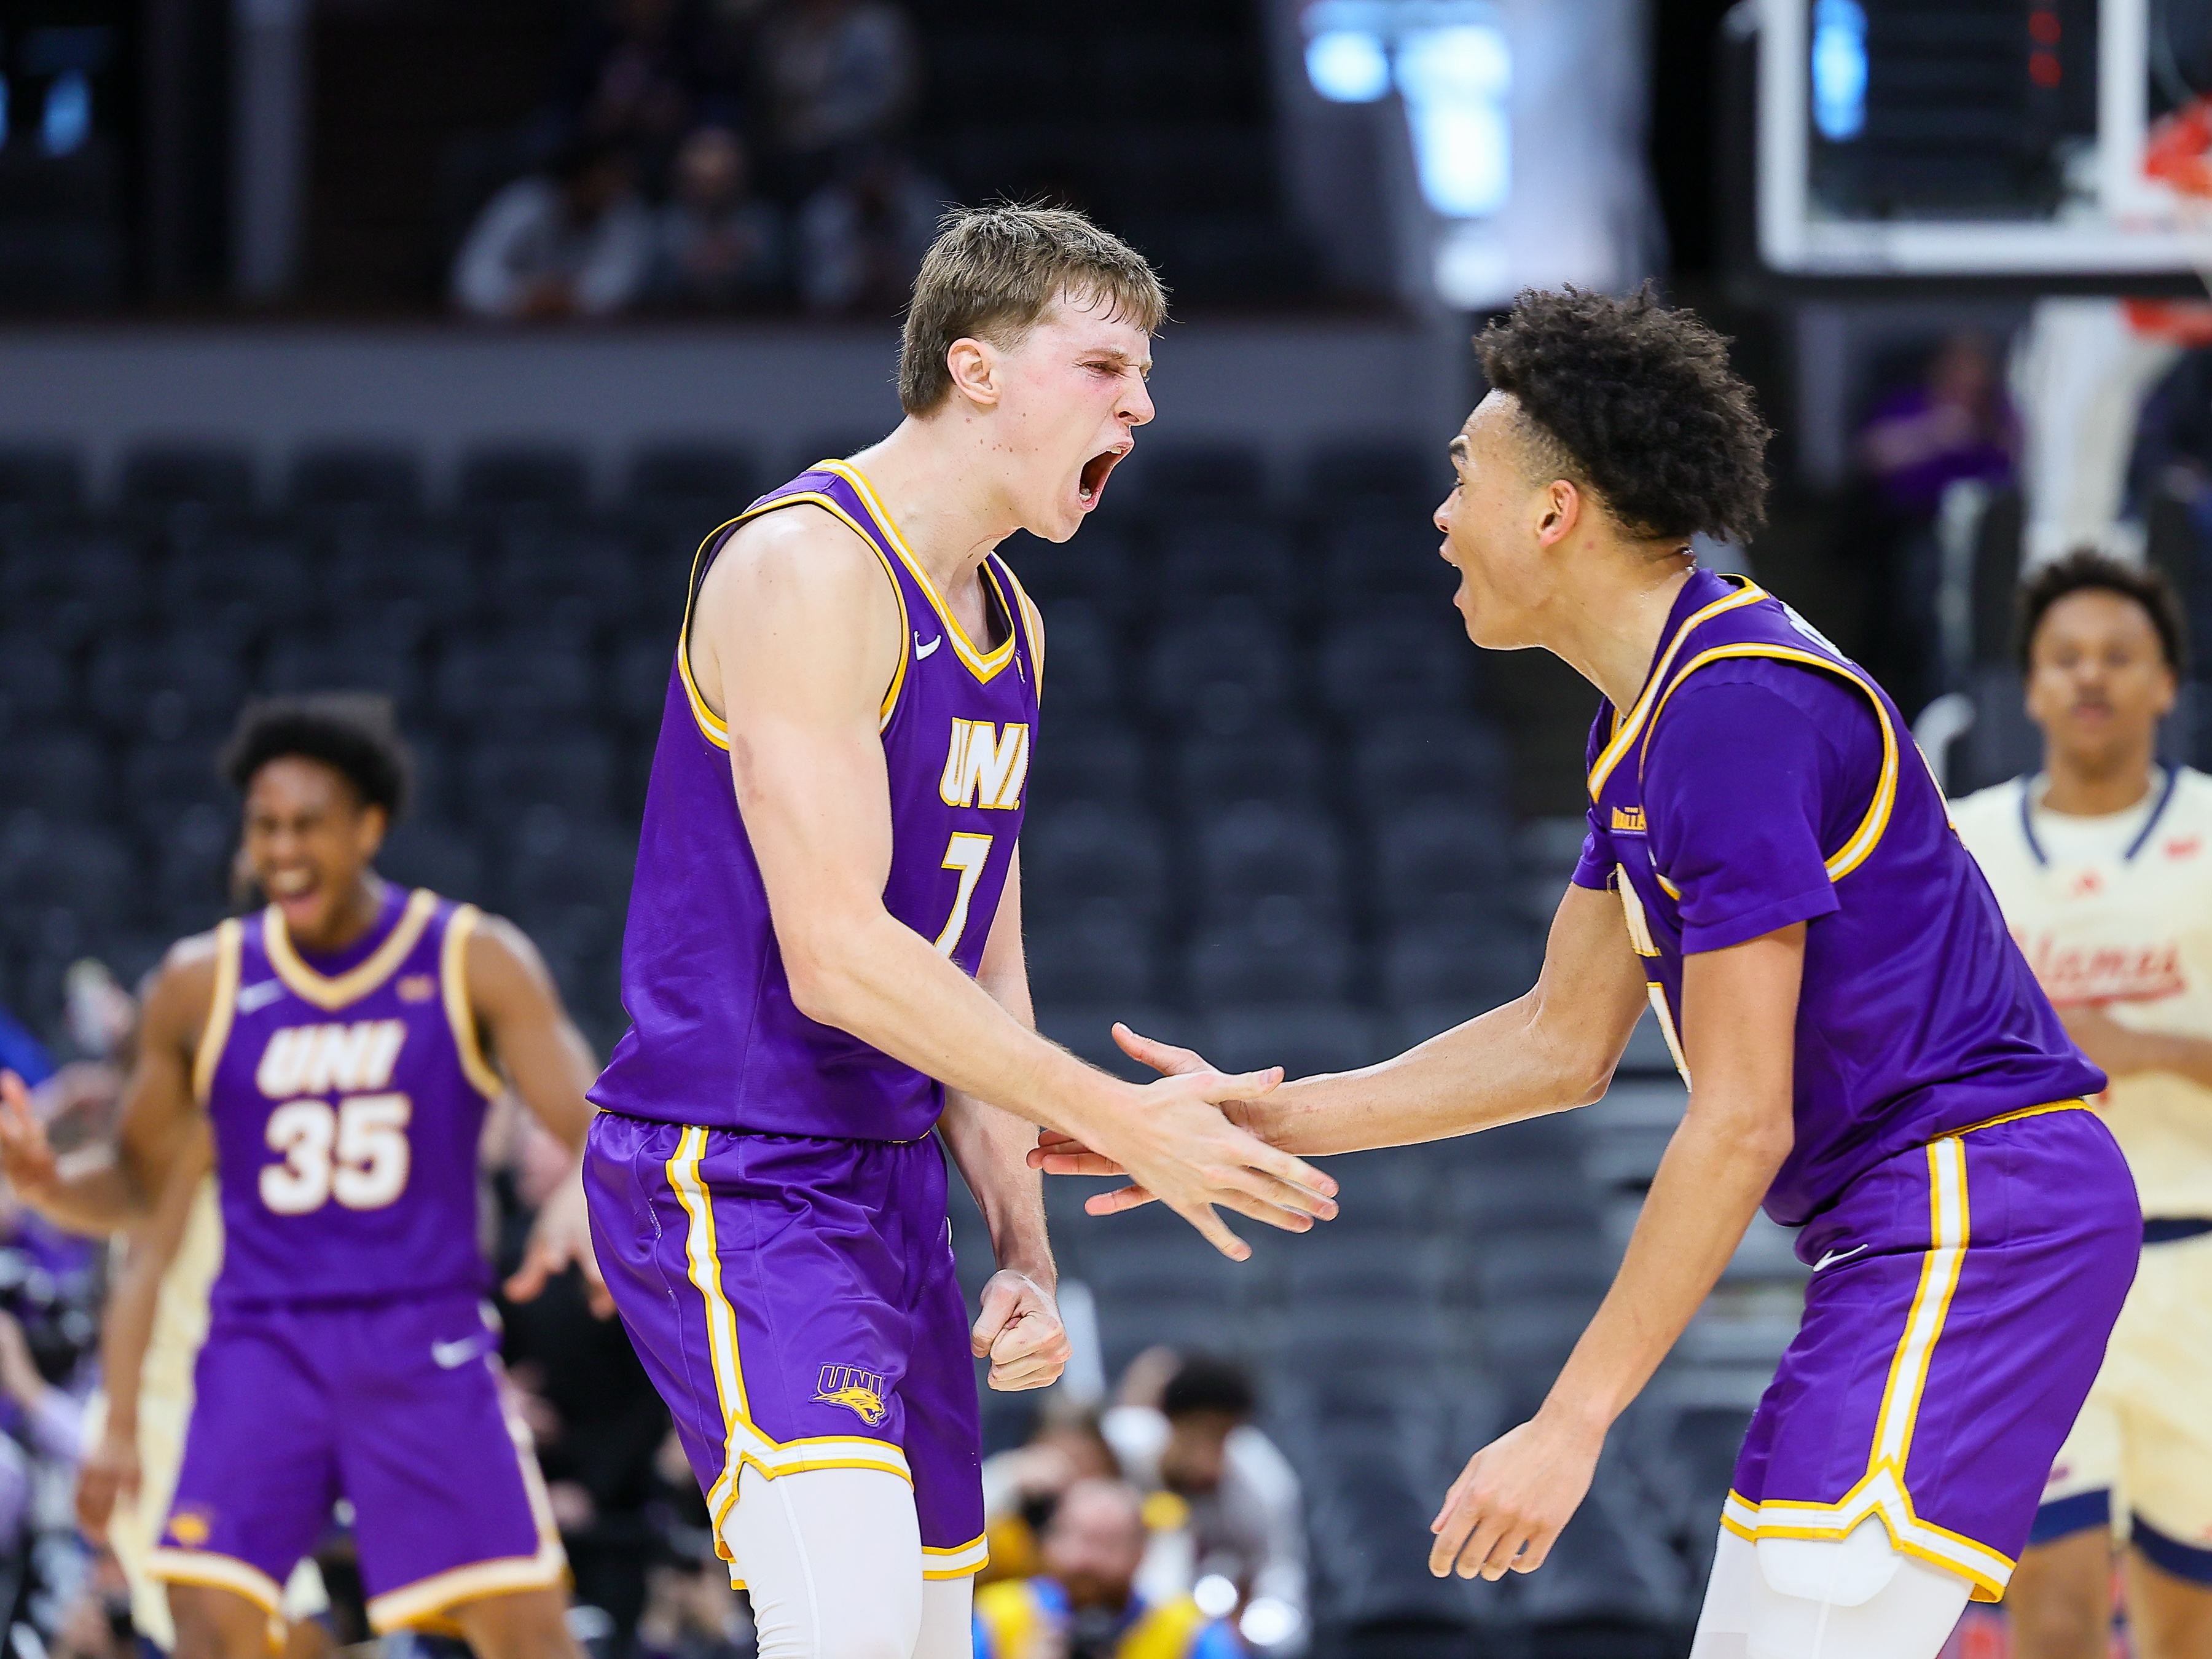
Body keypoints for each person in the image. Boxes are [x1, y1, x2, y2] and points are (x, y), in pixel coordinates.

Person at [1035, 286, 2143, 1659]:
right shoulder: (1655, 715)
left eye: (1464, 481)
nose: (1441, 517)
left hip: (1983, 1213)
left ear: (1555, 512)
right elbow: (1560, 1042)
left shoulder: (1734, 713)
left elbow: (1741, 1120)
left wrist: (1571, 1423)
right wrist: (1246, 1119)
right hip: (1902, 1228)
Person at [582, 202, 1339, 1659]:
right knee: (849, 1629)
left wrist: (1024, 1250)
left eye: (1147, 375)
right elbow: (838, 954)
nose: (1141, 405)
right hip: (735, 1165)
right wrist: (1123, 1115)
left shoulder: (1015, 624)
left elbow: (982, 957)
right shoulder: (806, 565)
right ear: (974, 368)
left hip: (888, 1185)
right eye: (1105, 367)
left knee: (936, 1634)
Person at [0, 693, 608, 1659]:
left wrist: (584, 1195)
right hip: (262, 1343)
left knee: (525, 1632)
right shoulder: (200, 985)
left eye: (307, 825)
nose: (282, 849)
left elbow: (594, 1128)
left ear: (369, 826)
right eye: (265, 826)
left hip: (418, 1336)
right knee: (207, 1618)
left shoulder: (472, 958)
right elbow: (138, 1191)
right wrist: (43, 1180)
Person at [1950, 553, 2212, 1659]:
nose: (2091, 676)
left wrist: (2148, 1047)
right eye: (2066, 658)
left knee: (2184, 1628)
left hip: (2197, 1268)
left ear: (2166, 682)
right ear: (2031, 686)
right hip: (2036, 1270)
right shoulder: (1960, 844)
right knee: (2052, 1614)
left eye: (2118, 656)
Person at [1100, 1355, 1304, 1652]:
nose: (1209, 1458)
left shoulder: (1265, 1484)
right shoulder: (1117, 1445)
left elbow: (1281, 1577)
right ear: (1168, 1421)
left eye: (1223, 1437)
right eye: (1198, 1435)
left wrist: (1251, 1631)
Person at [971, 1479, 1240, 1659]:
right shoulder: (999, 1616)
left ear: (1142, 1553)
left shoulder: (1188, 1631)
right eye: (1074, 1538)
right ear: (1048, 1542)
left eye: (1107, 1544)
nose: (1085, 1560)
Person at [452, 136, 654, 320]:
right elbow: (471, 278)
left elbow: (623, 284)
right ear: (581, 177)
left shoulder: (626, 213)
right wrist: (524, 297)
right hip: (509, 331)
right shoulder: (524, 204)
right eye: (608, 177)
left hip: (588, 336)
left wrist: (569, 298)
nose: (618, 188)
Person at [653, 125, 783, 308]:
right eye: (703, 182)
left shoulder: (763, 221)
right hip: (678, 320)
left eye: (722, 182)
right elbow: (655, 282)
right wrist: (693, 265)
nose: (711, 192)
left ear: (739, 179)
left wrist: (740, 260)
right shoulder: (667, 224)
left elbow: (779, 279)